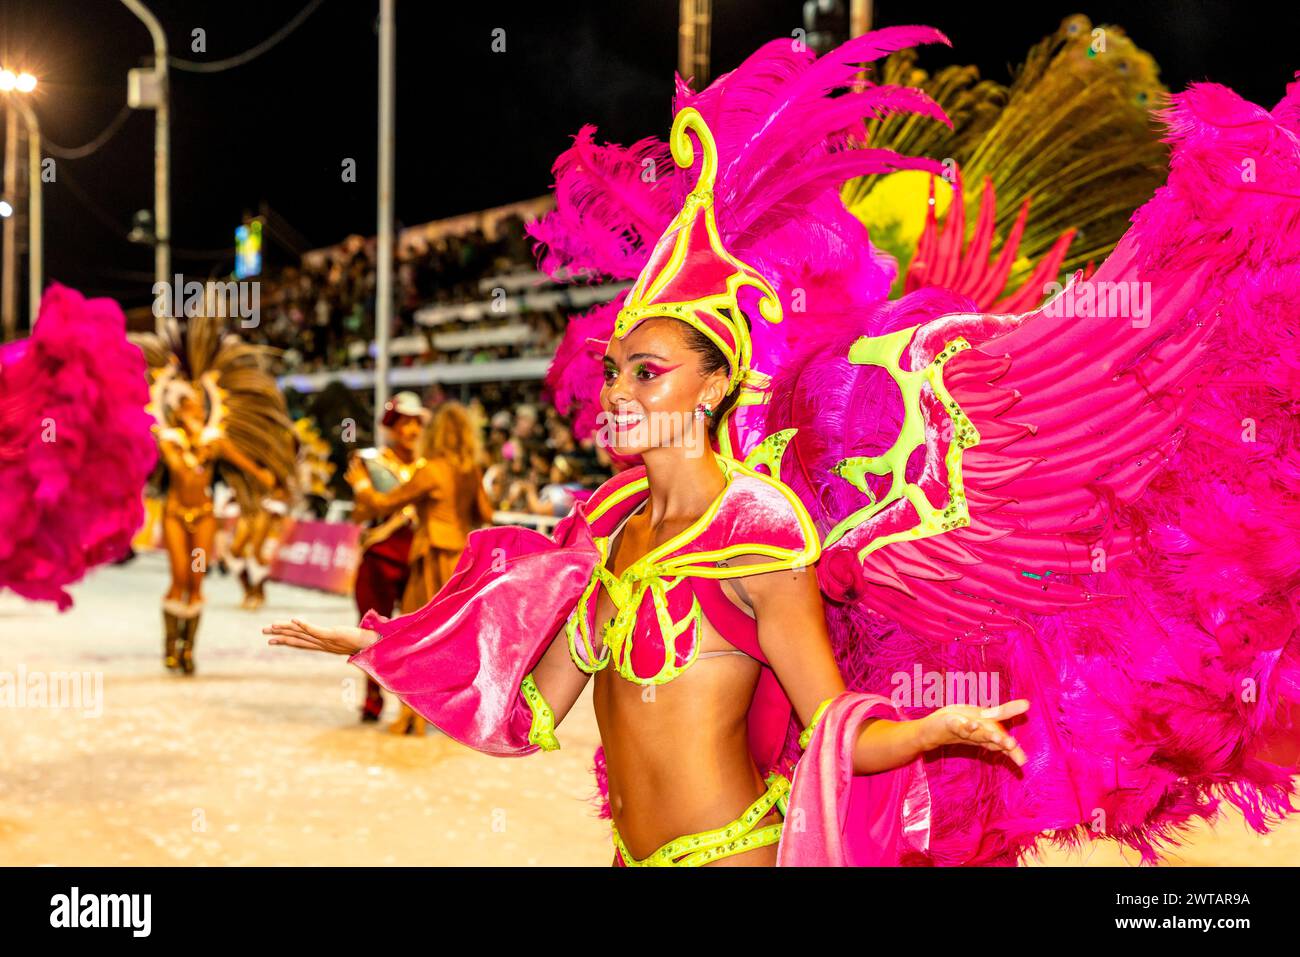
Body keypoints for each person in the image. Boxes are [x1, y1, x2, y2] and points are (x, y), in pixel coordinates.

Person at [267, 28, 1300, 866]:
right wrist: (380, 646)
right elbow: (536, 671)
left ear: (716, 383)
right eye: (616, 366)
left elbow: (834, 719)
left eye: (646, 371)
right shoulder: (612, 528)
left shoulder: (760, 529)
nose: (613, 391)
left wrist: (936, 729)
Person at [136, 315, 296, 675]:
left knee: (196, 582)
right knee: (178, 579)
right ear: (177, 411)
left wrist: (270, 477)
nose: (194, 408)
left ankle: (188, 649)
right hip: (176, 514)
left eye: (196, 404)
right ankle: (170, 647)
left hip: (205, 515)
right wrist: (193, 440)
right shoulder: (169, 440)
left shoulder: (215, 441)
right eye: (187, 405)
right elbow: (180, 470)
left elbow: (250, 466)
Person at [345, 400, 494, 734]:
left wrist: (362, 487)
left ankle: (411, 716)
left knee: (414, 639)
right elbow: (486, 513)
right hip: (461, 563)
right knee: (448, 640)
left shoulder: (431, 468)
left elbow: (386, 502)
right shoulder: (470, 469)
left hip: (431, 560)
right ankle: (439, 714)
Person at [345, 391, 427, 722]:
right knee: (371, 631)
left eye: (416, 423)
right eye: (404, 423)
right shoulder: (370, 462)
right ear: (392, 427)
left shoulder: (430, 466)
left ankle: (413, 706)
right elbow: (359, 513)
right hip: (380, 556)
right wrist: (367, 498)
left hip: (420, 558)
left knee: (419, 635)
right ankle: (373, 696)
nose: (411, 430)